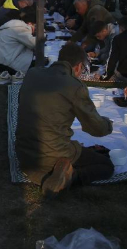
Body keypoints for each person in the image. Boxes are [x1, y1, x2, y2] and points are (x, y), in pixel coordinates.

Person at [16, 43, 114, 198]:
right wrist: (108, 123)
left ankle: (45, 175)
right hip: (51, 154)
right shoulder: (74, 86)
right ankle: (69, 178)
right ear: (78, 66)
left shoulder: (33, 73)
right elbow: (97, 129)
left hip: (23, 152)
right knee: (106, 166)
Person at [0, 6, 37, 83]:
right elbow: (34, 43)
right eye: (35, 26)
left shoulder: (12, 25)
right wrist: (43, 34)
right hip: (4, 64)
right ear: (30, 23)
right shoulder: (20, 29)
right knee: (33, 58)